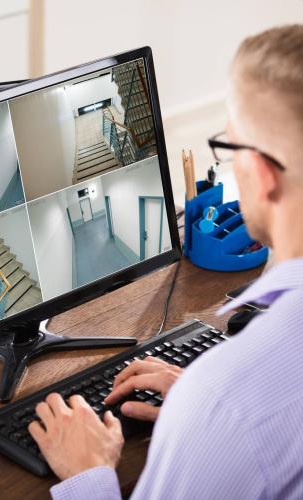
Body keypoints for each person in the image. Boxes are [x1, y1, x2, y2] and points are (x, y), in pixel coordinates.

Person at [29, 24, 303, 499]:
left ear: (260, 174)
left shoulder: (225, 402)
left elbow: (241, 410)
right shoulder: (223, 400)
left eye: (230, 146)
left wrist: (87, 477)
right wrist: (202, 401)